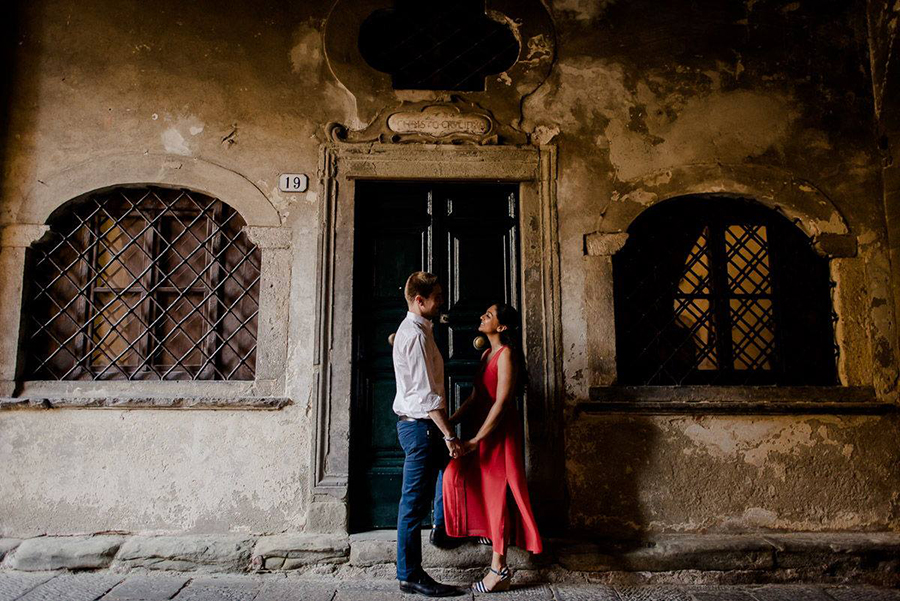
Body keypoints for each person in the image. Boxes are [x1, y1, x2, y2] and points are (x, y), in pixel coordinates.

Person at [443, 303, 543, 593]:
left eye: (489, 315)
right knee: (454, 475)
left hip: (498, 435)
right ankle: (486, 531)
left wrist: (476, 441)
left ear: (501, 327)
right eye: (483, 312)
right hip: (480, 431)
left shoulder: (506, 355)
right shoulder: (487, 353)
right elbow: (475, 397)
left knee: (497, 497)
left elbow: (501, 403)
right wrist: (449, 423)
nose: (481, 316)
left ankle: (499, 570)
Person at [392, 271, 464, 597]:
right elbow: (425, 396)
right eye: (437, 297)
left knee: (449, 472)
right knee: (411, 505)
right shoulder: (416, 336)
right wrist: (450, 435)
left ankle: (443, 530)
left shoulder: (420, 329)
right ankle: (409, 574)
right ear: (420, 301)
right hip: (420, 427)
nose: (442, 302)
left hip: (422, 426)